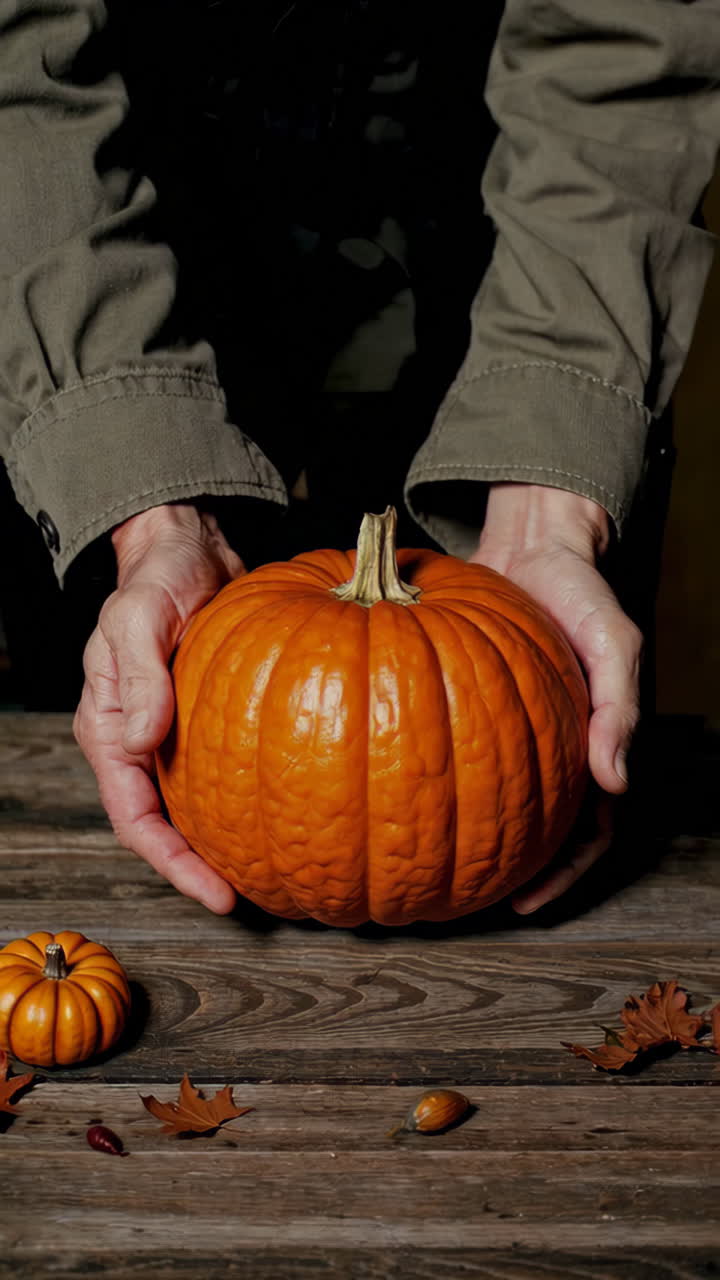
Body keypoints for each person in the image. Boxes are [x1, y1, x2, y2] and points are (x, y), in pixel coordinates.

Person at [2, 0, 719, 917]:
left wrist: (551, 496)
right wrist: (146, 515)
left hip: (505, 222)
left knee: (554, 694)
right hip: (112, 234)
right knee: (140, 672)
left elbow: (628, 42)